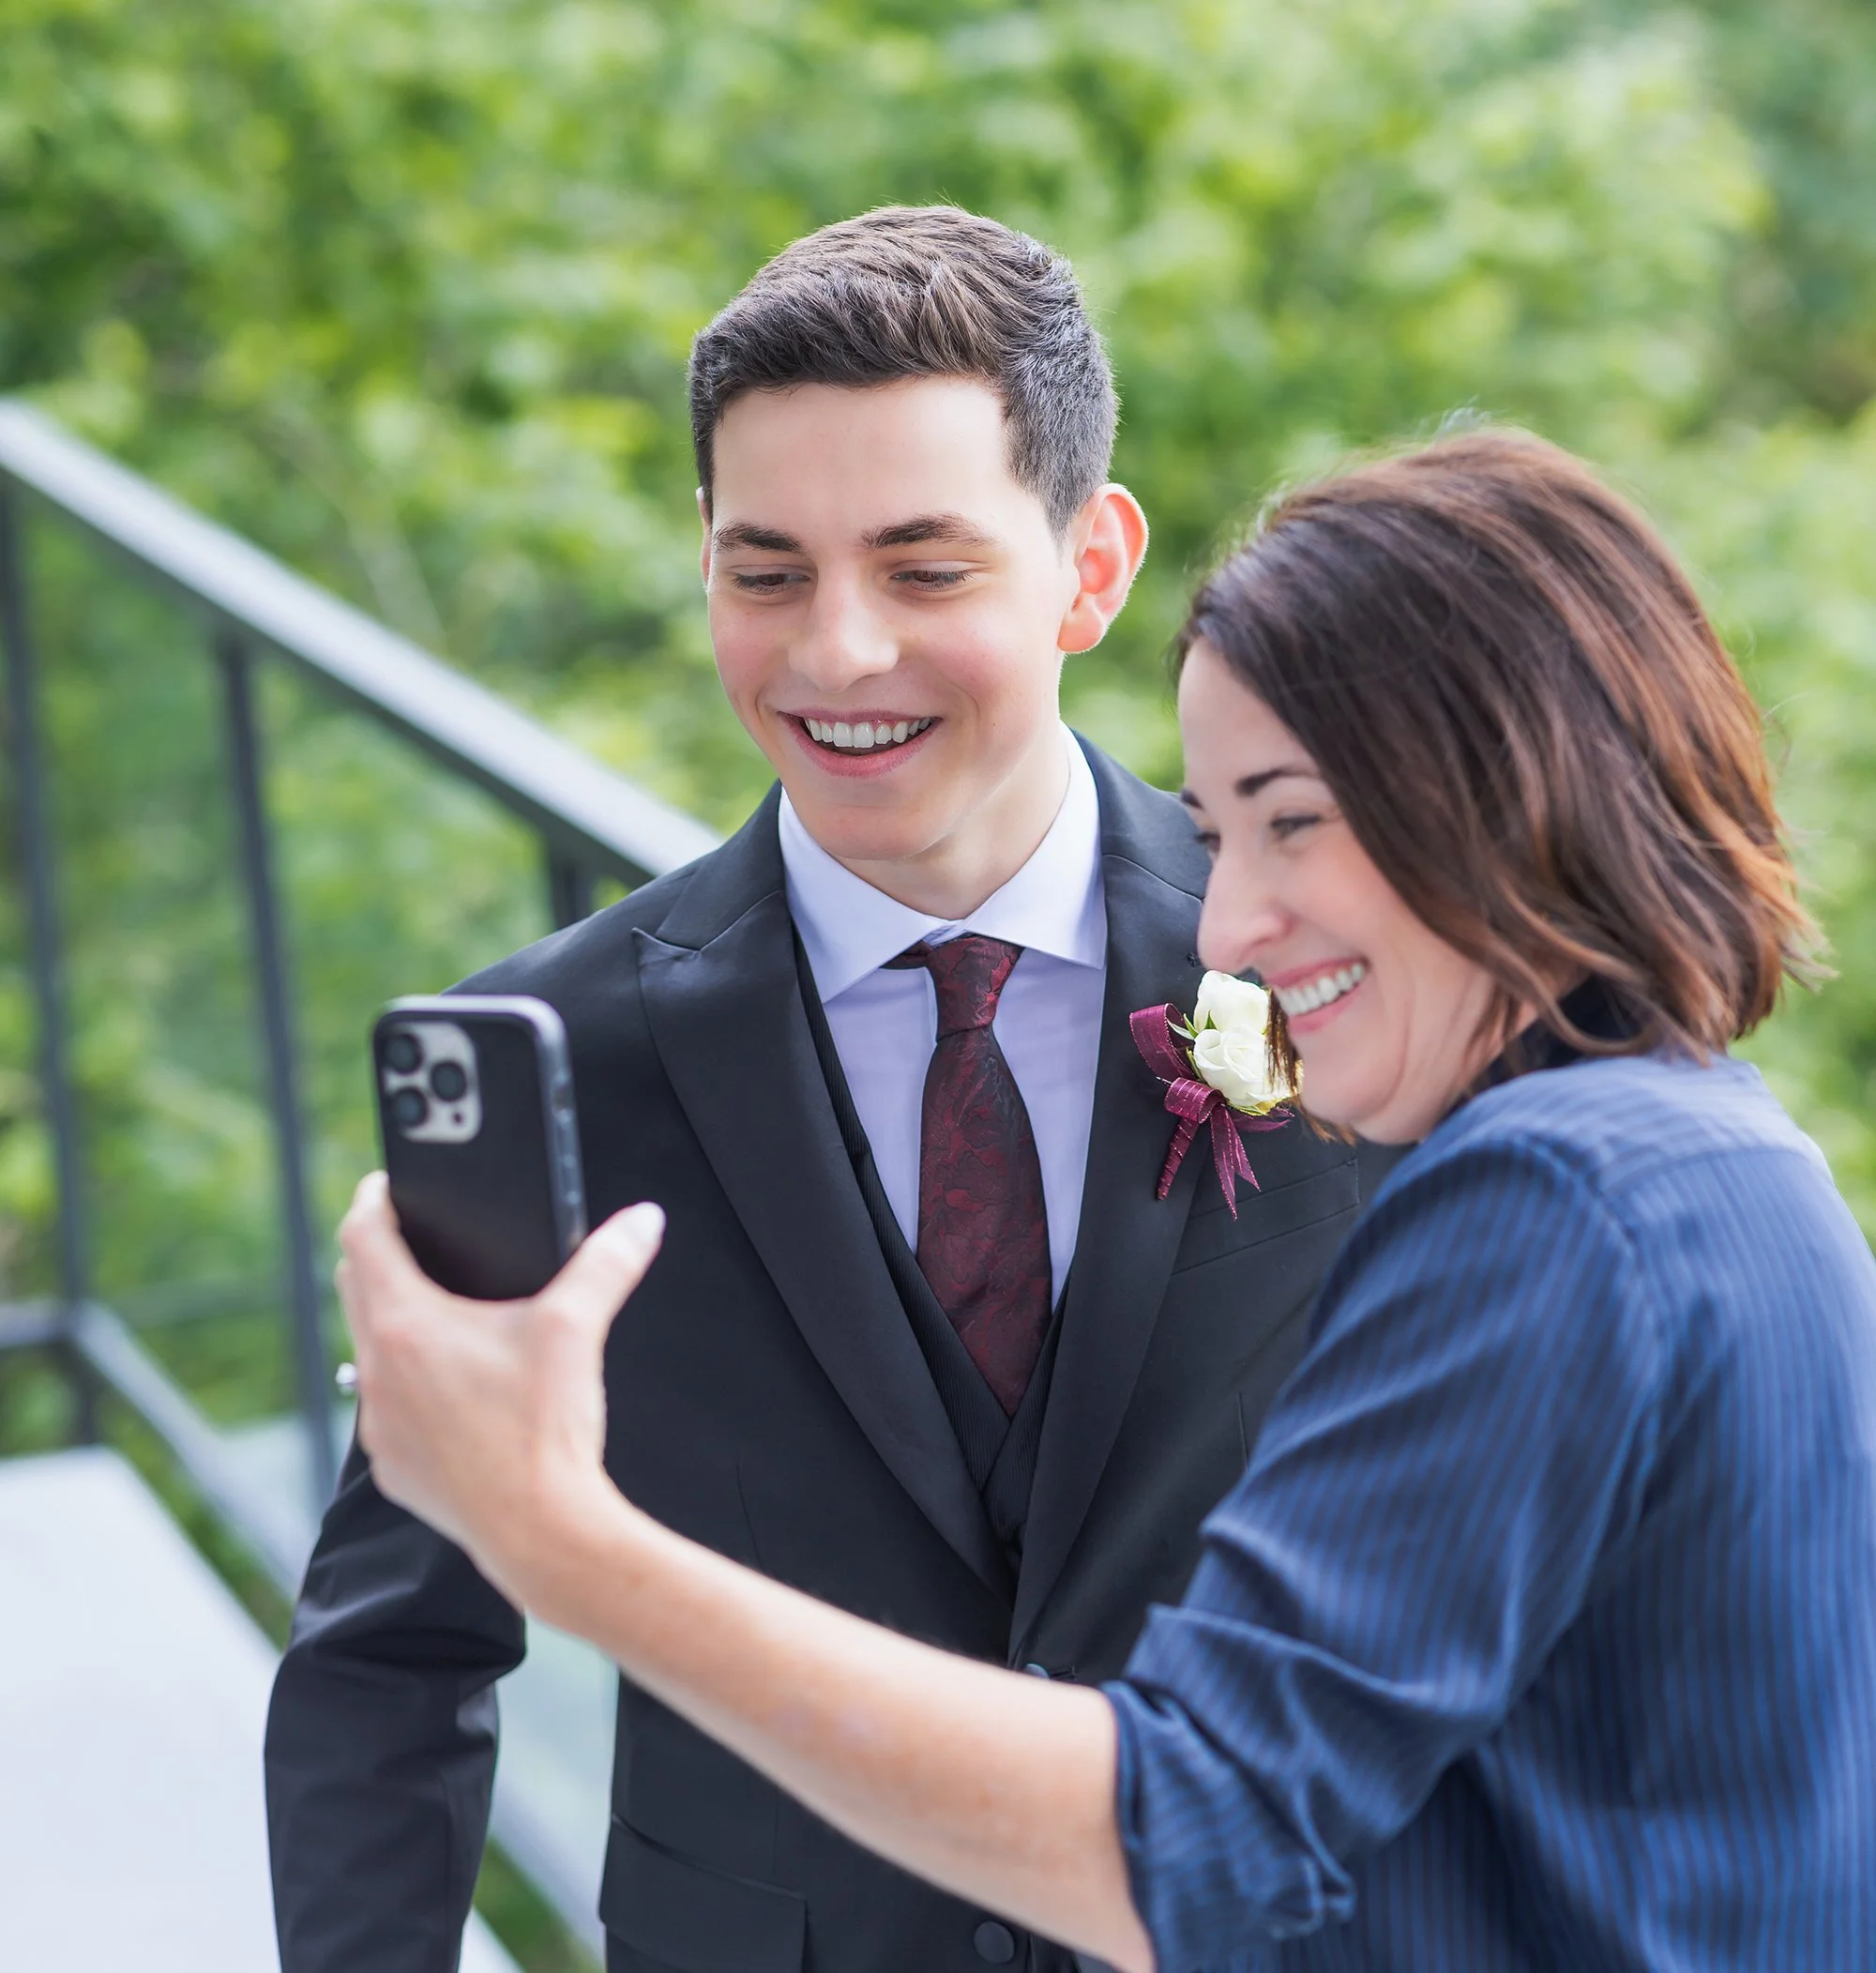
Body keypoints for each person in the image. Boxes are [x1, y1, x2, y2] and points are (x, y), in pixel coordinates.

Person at [339, 427, 1876, 1971]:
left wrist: (559, 1537)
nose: (1233, 921)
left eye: (1294, 819)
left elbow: (1187, 1835)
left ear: (1509, 787)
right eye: (1216, 834)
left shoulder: (1550, 1201)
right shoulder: (1733, 1166)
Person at [265, 206, 1388, 1972]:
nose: (836, 653)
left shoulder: (1333, 971)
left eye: (924, 570)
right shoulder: (556, 1055)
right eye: (765, 571)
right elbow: (394, 1654)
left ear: (1091, 567)